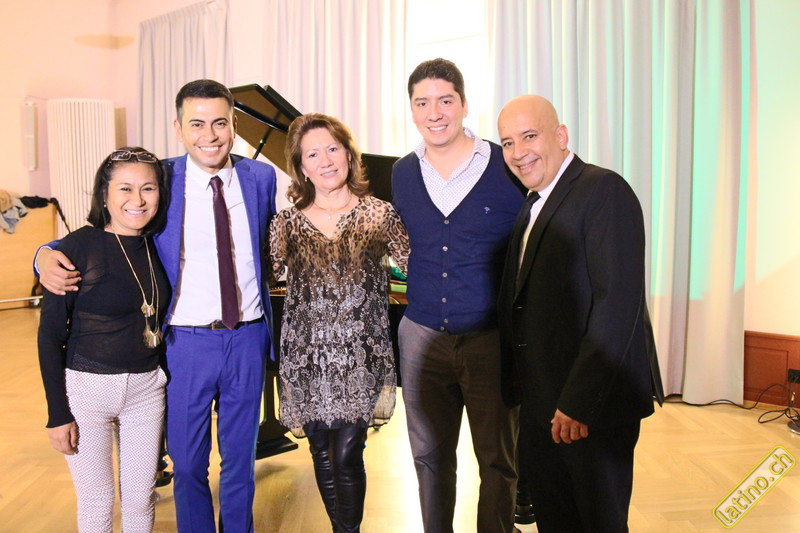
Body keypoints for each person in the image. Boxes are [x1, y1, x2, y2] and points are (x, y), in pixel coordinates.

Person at [36, 79, 277, 533]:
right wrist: (43, 254)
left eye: (220, 122)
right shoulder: (161, 178)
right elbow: (109, 227)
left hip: (248, 336)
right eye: (196, 124)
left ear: (234, 125)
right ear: (178, 128)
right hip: (185, 343)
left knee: (240, 464)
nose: (210, 135)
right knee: (187, 465)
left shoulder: (260, 178)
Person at [496, 94, 665, 533]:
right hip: (543, 405)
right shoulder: (533, 201)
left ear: (561, 135)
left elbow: (617, 304)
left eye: (529, 136)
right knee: (556, 520)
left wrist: (578, 403)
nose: (518, 152)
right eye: (508, 142)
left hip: (590, 409)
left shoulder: (604, 190)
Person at [391, 58, 525, 533]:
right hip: (421, 339)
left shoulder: (507, 166)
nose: (435, 113)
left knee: (497, 459)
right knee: (429, 458)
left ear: (464, 105)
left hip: (491, 341)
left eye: (445, 100)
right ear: (411, 110)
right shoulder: (402, 173)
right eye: (422, 103)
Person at [270, 113, 409, 533]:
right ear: (301, 166)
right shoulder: (286, 223)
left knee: (347, 452)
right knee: (321, 452)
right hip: (307, 356)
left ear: (349, 154)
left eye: (333, 148)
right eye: (313, 154)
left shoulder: (379, 214)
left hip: (360, 356)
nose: (326, 160)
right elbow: (263, 275)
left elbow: (414, 267)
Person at [38, 147, 170, 532]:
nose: (137, 200)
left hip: (146, 390)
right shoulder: (76, 247)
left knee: (141, 497)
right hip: (86, 392)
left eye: (148, 188)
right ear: (105, 194)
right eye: (125, 188)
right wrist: (57, 414)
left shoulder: (159, 243)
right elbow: (49, 337)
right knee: (96, 500)